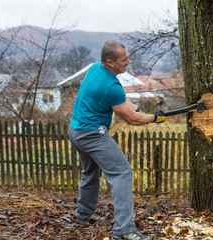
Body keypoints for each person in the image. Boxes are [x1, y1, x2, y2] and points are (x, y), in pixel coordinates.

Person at [69, 40, 165, 240]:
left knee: (90, 172)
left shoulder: (97, 69)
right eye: (124, 59)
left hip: (76, 130)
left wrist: (136, 108)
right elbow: (131, 119)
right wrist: (154, 118)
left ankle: (83, 216)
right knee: (122, 173)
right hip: (92, 134)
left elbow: (122, 98)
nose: (128, 62)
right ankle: (124, 231)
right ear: (110, 62)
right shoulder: (110, 86)